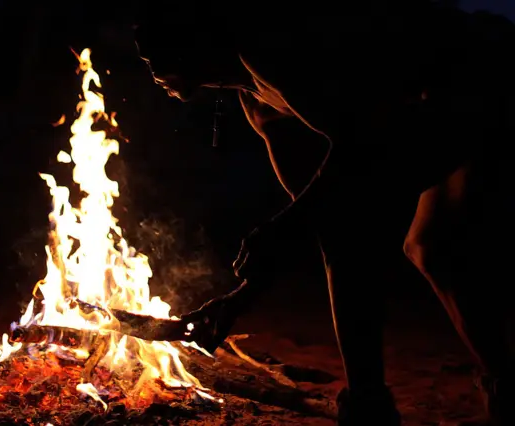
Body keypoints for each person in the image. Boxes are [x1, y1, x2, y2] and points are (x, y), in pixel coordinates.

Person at [134, 1, 514, 424]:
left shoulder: (270, 52)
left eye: (154, 47)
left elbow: (361, 144)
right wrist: (239, 300)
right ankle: (379, 398)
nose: (147, 60)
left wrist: (279, 231)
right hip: (418, 108)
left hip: (478, 73)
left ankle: (405, 397)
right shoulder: (257, 105)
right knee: (414, 244)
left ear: (192, 40)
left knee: (434, 244)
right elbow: (318, 218)